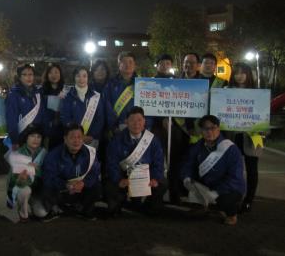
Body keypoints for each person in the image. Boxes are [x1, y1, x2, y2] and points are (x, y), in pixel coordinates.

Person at [181, 115, 245, 225]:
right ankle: (202, 206)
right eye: (206, 128)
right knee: (183, 180)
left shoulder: (231, 149)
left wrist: (217, 191)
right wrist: (186, 178)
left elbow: (235, 177)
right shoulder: (197, 146)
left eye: (213, 128)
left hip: (229, 188)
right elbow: (187, 165)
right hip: (207, 185)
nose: (209, 132)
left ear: (218, 129)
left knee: (224, 201)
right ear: (201, 130)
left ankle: (231, 214)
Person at [105, 106, 166, 216]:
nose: (136, 123)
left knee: (163, 183)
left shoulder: (153, 140)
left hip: (146, 180)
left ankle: (150, 207)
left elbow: (159, 163)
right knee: (110, 184)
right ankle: (119, 206)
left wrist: (155, 178)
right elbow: (111, 164)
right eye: (132, 120)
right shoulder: (117, 140)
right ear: (126, 122)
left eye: (139, 120)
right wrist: (119, 179)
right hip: (125, 179)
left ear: (144, 122)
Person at [42, 123, 101, 220]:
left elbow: (95, 172)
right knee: (47, 188)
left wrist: (83, 183)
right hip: (63, 190)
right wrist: (66, 184)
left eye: (79, 137)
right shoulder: (53, 155)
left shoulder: (90, 153)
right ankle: (56, 209)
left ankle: (84, 209)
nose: (76, 141)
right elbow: (48, 177)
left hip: (81, 188)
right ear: (65, 139)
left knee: (96, 186)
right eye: (72, 137)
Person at [227, 62, 262, 213]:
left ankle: (249, 200)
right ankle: (233, 197)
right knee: (233, 169)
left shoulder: (258, 93)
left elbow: (264, 117)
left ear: (248, 74)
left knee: (252, 169)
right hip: (233, 135)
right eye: (236, 72)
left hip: (253, 136)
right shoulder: (226, 92)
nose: (239, 76)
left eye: (243, 72)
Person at [168, 52, 201, 204]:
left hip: (197, 130)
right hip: (178, 128)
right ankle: (174, 193)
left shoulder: (203, 83)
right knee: (175, 162)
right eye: (186, 62)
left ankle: (193, 194)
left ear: (198, 65)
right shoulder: (175, 81)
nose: (189, 65)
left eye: (192, 62)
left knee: (193, 162)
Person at [5, 124, 48, 222]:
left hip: (38, 189)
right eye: (32, 136)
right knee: (24, 190)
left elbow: (48, 175)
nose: (35, 139)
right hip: (23, 186)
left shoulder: (45, 153)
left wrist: (37, 170)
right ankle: (23, 214)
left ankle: (34, 205)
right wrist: (21, 180)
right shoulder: (18, 154)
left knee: (41, 213)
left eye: (38, 137)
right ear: (26, 138)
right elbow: (12, 181)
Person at [104, 51, 153, 134]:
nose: (127, 65)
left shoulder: (143, 84)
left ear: (135, 65)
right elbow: (107, 107)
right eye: (124, 62)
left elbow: (149, 106)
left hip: (139, 127)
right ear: (119, 65)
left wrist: (146, 125)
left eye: (130, 62)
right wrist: (114, 127)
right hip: (118, 128)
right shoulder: (110, 85)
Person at [60, 67, 104, 149]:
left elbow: (100, 118)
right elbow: (65, 117)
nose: (81, 79)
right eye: (78, 76)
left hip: (91, 139)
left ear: (88, 78)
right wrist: (77, 135)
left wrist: (92, 135)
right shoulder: (68, 96)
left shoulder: (96, 96)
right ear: (74, 78)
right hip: (73, 138)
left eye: (84, 76)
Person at [5, 64, 44, 151]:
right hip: (21, 137)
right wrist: (14, 140)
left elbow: (41, 114)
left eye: (30, 74)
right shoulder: (14, 94)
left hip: (36, 137)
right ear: (19, 77)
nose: (28, 77)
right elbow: (11, 118)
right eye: (25, 74)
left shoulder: (37, 93)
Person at [41, 64, 65, 150]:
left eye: (56, 72)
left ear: (60, 74)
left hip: (62, 129)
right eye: (50, 72)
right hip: (46, 129)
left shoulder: (65, 90)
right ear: (47, 75)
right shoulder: (42, 91)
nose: (54, 75)